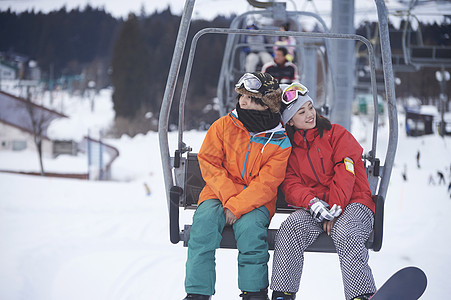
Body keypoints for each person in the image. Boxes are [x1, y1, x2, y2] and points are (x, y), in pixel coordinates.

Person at [183, 72, 292, 300]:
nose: (243, 101)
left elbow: (267, 183)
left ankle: (253, 292)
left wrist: (237, 206)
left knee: (252, 232)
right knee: (203, 227)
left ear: (266, 105)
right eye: (242, 96)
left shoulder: (280, 142)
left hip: (256, 200)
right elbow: (209, 161)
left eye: (251, 98)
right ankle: (197, 293)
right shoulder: (224, 126)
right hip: (218, 193)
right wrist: (231, 198)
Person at [269, 82, 377, 300]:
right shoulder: (289, 149)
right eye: (302, 111)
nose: (310, 114)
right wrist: (312, 203)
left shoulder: (337, 134)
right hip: (319, 208)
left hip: (354, 203)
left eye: (310, 107)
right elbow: (290, 184)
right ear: (290, 121)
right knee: (290, 228)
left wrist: (335, 209)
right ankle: (283, 294)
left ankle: (361, 295)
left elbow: (346, 171)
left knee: (346, 231)